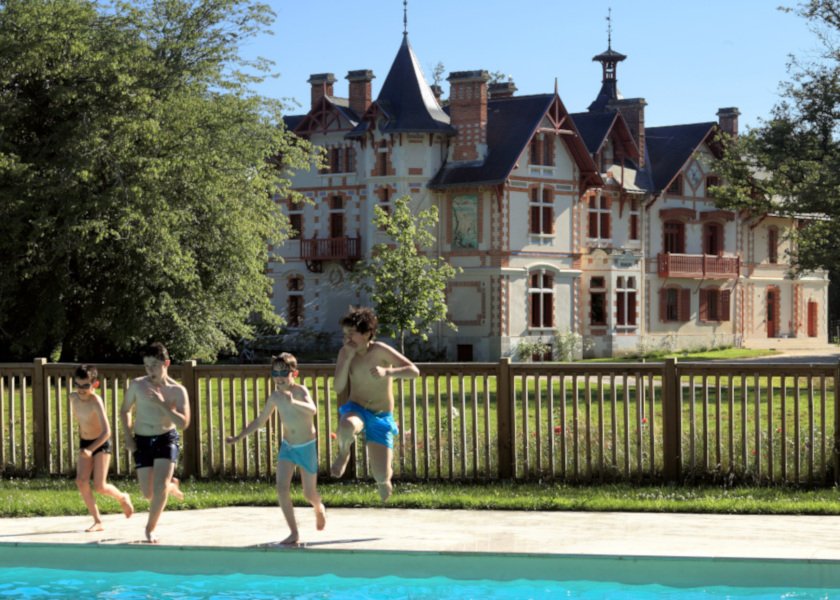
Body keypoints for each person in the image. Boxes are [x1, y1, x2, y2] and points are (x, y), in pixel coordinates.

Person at [226, 352, 326, 546]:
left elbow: (312, 409)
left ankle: (318, 507)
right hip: (288, 447)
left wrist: (293, 402)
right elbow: (260, 421)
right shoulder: (275, 397)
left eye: (284, 372)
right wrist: (239, 436)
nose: (279, 377)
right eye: (275, 373)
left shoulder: (300, 391)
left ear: (294, 374)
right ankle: (294, 532)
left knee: (308, 494)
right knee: (281, 488)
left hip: (306, 447)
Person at [330, 307, 419, 502]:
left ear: (367, 333)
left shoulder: (380, 350)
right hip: (357, 408)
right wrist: (346, 360)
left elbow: (414, 371)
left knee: (381, 476)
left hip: (380, 415)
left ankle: (383, 480)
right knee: (347, 425)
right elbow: (338, 387)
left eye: (352, 333)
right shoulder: (345, 353)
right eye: (345, 334)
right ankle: (344, 453)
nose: (347, 338)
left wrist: (388, 372)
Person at [119, 342, 190, 543]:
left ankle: (150, 529)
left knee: (158, 488)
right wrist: (128, 437)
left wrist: (162, 404)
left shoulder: (178, 391)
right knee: (148, 493)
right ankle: (170, 485)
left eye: (154, 365)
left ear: (166, 363)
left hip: (166, 438)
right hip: (141, 440)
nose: (150, 370)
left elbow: (183, 423)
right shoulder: (137, 385)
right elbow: (124, 410)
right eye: (147, 366)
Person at [70, 364, 134, 531]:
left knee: (99, 485)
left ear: (94, 385)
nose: (81, 389)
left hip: (101, 443)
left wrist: (91, 449)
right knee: (81, 480)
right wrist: (86, 446)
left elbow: (107, 431)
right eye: (78, 385)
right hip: (86, 442)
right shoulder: (73, 398)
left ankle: (122, 497)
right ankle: (97, 521)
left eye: (86, 386)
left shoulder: (96, 401)